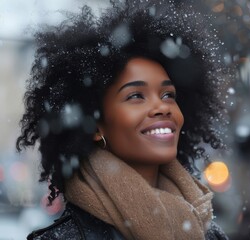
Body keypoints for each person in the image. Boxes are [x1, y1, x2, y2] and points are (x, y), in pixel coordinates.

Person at [16, 0, 229, 239]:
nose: (162, 107)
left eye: (168, 95)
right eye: (136, 95)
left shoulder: (211, 235)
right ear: (95, 124)